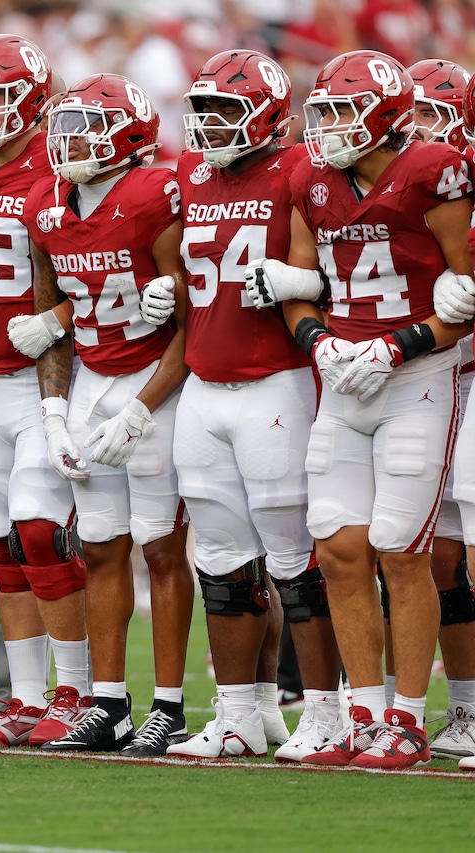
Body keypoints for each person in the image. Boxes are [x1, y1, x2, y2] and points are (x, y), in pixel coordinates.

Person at [271, 49, 471, 769]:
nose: (325, 128)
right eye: (321, 111)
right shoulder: (309, 176)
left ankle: (409, 720)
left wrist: (403, 343)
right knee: (336, 545)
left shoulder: (434, 169)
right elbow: (297, 283)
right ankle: (362, 713)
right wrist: (317, 340)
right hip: (343, 379)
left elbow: (467, 293)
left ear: (387, 118)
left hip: (417, 377)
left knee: (400, 547)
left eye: (341, 112)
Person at [139, 49, 339, 760]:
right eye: (203, 109)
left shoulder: (300, 171)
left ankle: (327, 712)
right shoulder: (190, 179)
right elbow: (180, 266)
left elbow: (346, 268)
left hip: (276, 381)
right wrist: (165, 289)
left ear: (270, 114)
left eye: (225, 108)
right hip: (203, 381)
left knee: (293, 559)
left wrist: (298, 279)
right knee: (221, 560)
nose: (210, 123)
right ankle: (238, 715)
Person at [27, 73, 196, 756]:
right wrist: (52, 412)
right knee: (99, 547)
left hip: (158, 379)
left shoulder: (154, 196)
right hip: (92, 378)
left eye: (85, 130)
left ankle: (170, 707)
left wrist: (143, 407)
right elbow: (50, 320)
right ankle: (108, 703)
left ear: (128, 136)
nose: (68, 143)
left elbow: (195, 319)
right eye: (63, 128)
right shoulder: (46, 206)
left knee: (160, 547)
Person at [0, 34, 90, 749]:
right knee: (0, 536)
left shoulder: (62, 164)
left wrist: (58, 316)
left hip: (45, 376)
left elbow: (101, 267)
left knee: (39, 525)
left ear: (33, 99)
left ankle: (77, 689)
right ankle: (25, 698)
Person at [404, 57, 475, 762]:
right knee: (445, 554)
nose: (419, 128)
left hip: (463, 369)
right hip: (432, 373)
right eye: (411, 113)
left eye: (433, 112)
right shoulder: (395, 176)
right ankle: (465, 706)